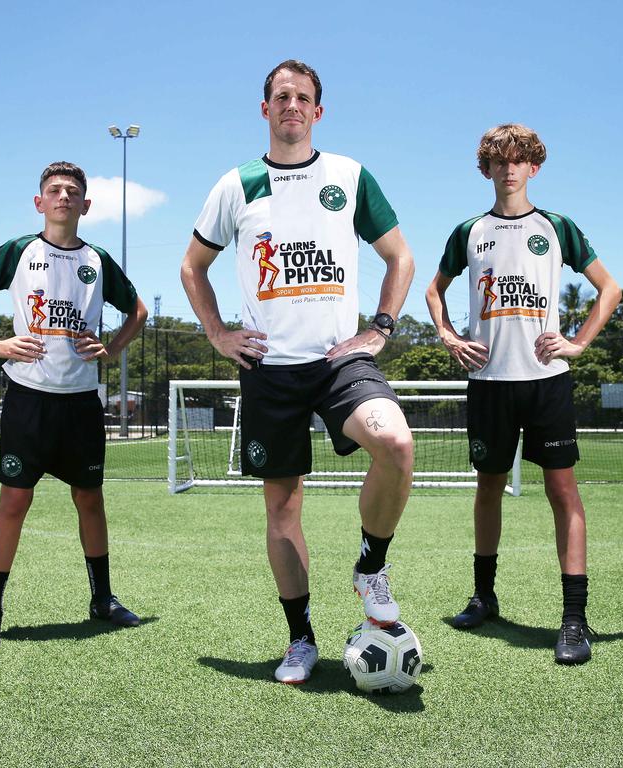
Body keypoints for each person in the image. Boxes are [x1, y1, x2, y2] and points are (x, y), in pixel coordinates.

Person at [180, 60, 416, 684]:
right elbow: (191, 267)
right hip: (270, 369)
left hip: (341, 361)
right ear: (265, 110)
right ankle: (301, 638)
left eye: (303, 97)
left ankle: (372, 566)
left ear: (318, 111)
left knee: (395, 442)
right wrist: (217, 333)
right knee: (282, 509)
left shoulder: (350, 177)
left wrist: (381, 328)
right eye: (281, 97)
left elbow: (399, 257)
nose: (292, 105)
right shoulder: (236, 184)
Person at [425, 124, 621, 664]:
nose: (509, 169)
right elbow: (433, 289)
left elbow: (610, 288)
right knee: (488, 489)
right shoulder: (469, 231)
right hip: (489, 383)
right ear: (485, 169)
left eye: (519, 161)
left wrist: (577, 343)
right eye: (499, 161)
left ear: (534, 167)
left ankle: (574, 620)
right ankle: (484, 596)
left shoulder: (557, 227)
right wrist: (448, 336)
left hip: (547, 382)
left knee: (563, 493)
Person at [0, 161, 149, 651]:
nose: (63, 196)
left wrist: (113, 348)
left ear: (85, 204)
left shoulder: (97, 260)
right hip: (28, 400)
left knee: (89, 498)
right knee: (14, 500)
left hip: (80, 401)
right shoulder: (19, 252)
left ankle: (102, 599)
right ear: (40, 202)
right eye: (55, 190)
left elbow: (138, 311)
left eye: (72, 190)